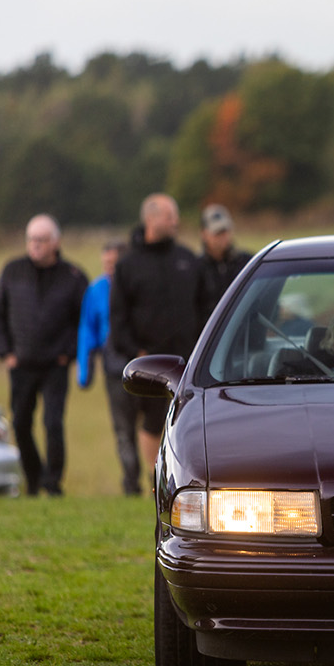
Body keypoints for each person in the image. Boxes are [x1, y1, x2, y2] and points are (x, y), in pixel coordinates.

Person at [0, 214, 88, 497]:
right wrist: (5, 352)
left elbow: (84, 321)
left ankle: (52, 482)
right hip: (21, 363)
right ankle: (33, 478)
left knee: (53, 423)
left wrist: (68, 353)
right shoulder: (12, 271)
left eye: (42, 240)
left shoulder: (73, 276)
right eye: (31, 239)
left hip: (55, 364)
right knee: (20, 423)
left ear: (55, 242)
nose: (36, 245)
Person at [110, 193, 202, 482]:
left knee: (189, 420)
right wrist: (135, 351)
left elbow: (204, 307)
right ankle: (156, 482)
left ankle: (187, 479)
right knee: (151, 421)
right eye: (169, 215)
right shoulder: (128, 265)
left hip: (190, 362)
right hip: (150, 363)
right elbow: (118, 318)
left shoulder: (188, 259)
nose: (176, 221)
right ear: (151, 219)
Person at [77, 239, 143, 496]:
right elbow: (87, 329)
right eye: (105, 263)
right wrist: (85, 372)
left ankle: (157, 480)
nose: (109, 268)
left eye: (114, 263)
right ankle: (131, 483)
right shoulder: (96, 290)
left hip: (143, 366)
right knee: (123, 430)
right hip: (114, 370)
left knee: (152, 427)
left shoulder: (140, 286)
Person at [197, 204, 252, 324]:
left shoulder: (247, 262)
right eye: (218, 233)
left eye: (226, 231)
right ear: (204, 234)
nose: (223, 237)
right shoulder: (195, 268)